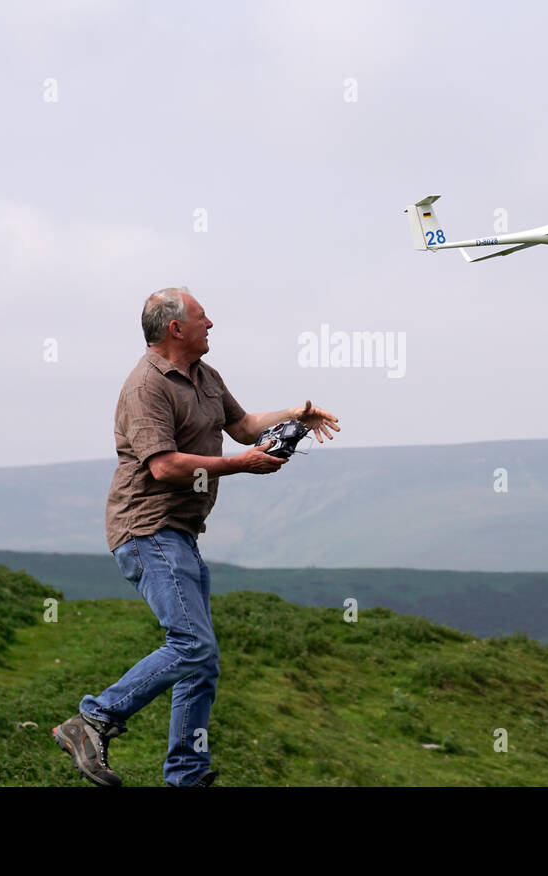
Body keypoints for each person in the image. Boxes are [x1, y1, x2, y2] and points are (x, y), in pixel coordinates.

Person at [52, 286, 339, 787]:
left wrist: (295, 415)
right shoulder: (146, 386)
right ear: (175, 328)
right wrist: (241, 465)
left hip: (180, 533)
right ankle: (94, 719)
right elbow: (164, 466)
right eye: (203, 317)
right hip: (147, 528)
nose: (211, 324)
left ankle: (186, 775)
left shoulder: (205, 376)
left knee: (201, 662)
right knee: (192, 645)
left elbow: (244, 425)